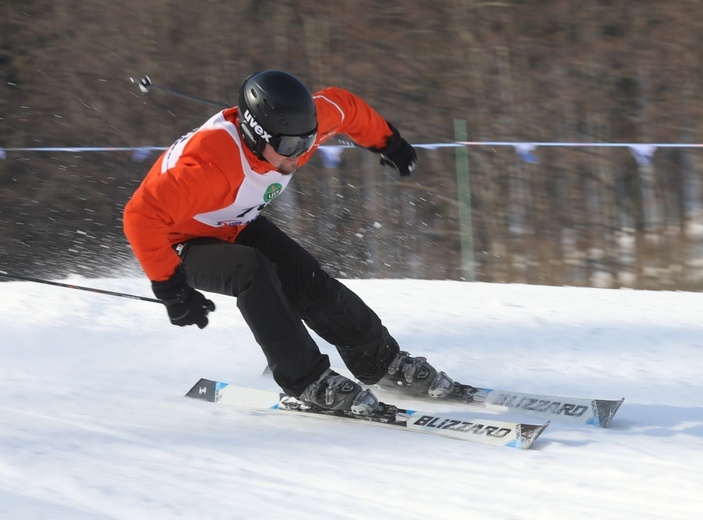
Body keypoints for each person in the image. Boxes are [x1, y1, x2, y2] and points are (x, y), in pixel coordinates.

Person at [124, 70, 456, 417]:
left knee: (308, 280)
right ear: (255, 134)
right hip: (180, 241)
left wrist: (389, 142)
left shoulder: (296, 132)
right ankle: (307, 380)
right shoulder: (210, 165)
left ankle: (381, 362)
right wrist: (170, 287)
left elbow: (345, 107)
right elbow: (139, 216)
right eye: (288, 147)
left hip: (236, 224)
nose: (297, 155)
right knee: (252, 271)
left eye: (306, 142)